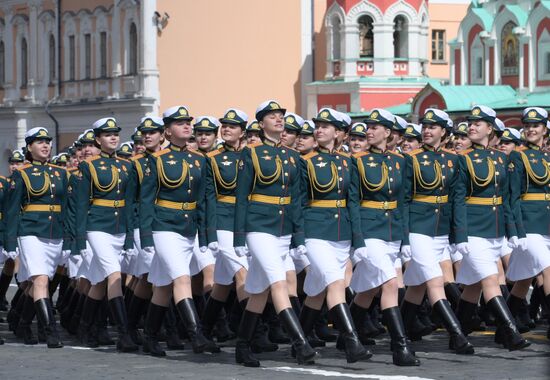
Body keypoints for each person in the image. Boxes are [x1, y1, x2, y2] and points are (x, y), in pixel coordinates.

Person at [233, 100, 316, 367]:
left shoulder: (293, 157)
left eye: (281, 116)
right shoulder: (251, 154)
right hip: (258, 226)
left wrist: (297, 237)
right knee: (279, 283)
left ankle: (242, 346)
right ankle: (300, 343)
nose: (279, 120)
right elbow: (241, 198)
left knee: (258, 290)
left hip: (281, 230)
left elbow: (295, 200)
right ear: (261, 124)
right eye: (272, 116)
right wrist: (238, 237)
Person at [139, 106, 219, 356]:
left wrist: (208, 235)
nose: (186, 126)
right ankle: (196, 334)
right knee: (182, 278)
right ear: (167, 131)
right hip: (164, 226)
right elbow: (146, 200)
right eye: (179, 123)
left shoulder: (200, 160)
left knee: (163, 286)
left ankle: (149, 337)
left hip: (188, 228)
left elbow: (206, 200)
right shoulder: (157, 160)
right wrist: (146, 236)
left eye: (188, 122)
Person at [298, 107, 370, 364]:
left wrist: (357, 239)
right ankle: (352, 342)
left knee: (317, 291)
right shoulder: (305, 162)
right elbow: (298, 202)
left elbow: (353, 202)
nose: (318, 130)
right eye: (317, 126)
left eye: (325, 127)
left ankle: (300, 343)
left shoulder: (347, 162)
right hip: (315, 231)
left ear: (339, 133)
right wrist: (298, 238)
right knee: (334, 282)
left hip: (340, 234)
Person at [455, 105, 530, 351]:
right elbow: (457, 199)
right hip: (473, 230)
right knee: (489, 279)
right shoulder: (462, 159)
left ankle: (458, 333)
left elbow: (508, 198)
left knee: (474, 285)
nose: (472, 127)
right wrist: (460, 234)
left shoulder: (501, 158)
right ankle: (510, 332)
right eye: (470, 123)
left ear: (490, 128)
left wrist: (513, 230)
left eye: (479, 123)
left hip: (495, 229)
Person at [401, 108, 474, 354]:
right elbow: (403, 200)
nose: (427, 131)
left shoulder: (454, 160)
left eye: (433, 127)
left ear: (444, 131)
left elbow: (457, 200)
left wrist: (459, 235)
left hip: (440, 230)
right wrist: (403, 238)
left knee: (417, 285)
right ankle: (457, 334)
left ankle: (400, 330)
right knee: (435, 280)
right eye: (425, 126)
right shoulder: (411, 159)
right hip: (418, 227)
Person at [350, 108, 419, 366]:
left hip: (391, 231)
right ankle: (400, 347)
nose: (369, 130)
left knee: (368, 289)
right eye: (368, 126)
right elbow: (353, 203)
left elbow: (403, 202)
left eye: (375, 127)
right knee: (390, 284)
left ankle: (347, 336)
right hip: (369, 231)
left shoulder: (400, 162)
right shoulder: (356, 161)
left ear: (388, 133)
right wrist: (357, 241)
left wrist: (406, 240)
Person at [75, 117, 138, 352]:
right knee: (114, 276)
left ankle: (84, 326)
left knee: (100, 281)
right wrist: (80, 239)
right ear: (98, 139)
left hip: (119, 227)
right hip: (98, 227)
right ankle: (124, 333)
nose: (113, 138)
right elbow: (82, 204)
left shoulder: (126, 165)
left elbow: (130, 202)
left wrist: (130, 236)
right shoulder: (88, 166)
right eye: (107, 135)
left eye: (115, 134)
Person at [5, 127, 67, 348]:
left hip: (55, 233)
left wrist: (69, 239)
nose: (45, 145)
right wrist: (10, 242)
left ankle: (21, 322)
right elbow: (12, 211)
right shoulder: (21, 174)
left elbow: (67, 207)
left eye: (47, 142)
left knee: (38, 283)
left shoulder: (60, 173)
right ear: (29, 147)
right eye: (39, 142)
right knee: (40, 280)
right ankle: (51, 331)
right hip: (30, 231)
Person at [201, 108, 253, 344]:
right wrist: (210, 232)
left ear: (242, 131)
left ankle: (203, 331)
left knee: (222, 283)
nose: (226, 129)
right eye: (224, 125)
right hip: (222, 220)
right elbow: (208, 198)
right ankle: (252, 335)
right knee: (243, 274)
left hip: (244, 222)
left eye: (232, 126)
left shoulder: (253, 156)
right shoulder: (212, 159)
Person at [507, 107, 550, 340]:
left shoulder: (547, 157)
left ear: (545, 129)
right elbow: (512, 196)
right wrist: (515, 229)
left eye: (536, 125)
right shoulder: (518, 156)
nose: (531, 129)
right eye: (527, 125)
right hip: (529, 224)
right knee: (547, 268)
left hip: (546, 223)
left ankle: (505, 328)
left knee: (523, 280)